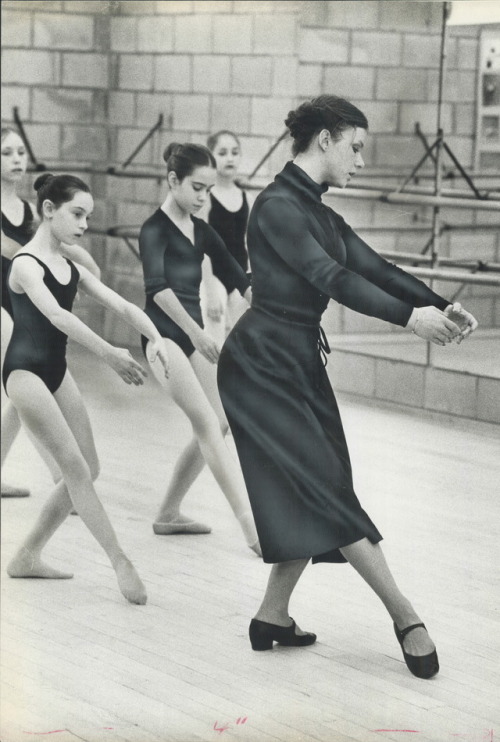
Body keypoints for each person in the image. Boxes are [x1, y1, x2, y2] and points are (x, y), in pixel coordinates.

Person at [217, 95, 478, 678]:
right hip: (259, 366)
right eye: (355, 148)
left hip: (298, 362)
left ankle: (272, 616)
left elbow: (375, 269)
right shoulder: (278, 207)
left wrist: (443, 305)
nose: (360, 160)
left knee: (323, 485)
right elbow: (329, 278)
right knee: (325, 490)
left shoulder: (321, 213)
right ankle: (405, 615)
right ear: (325, 141)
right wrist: (411, 321)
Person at [4, 172, 170, 605]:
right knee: (75, 469)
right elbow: (58, 318)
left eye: (88, 217)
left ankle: (27, 555)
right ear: (48, 210)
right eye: (76, 214)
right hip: (24, 373)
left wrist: (155, 337)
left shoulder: (72, 267)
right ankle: (119, 560)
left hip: (56, 372)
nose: (83, 224)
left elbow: (122, 303)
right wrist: (108, 353)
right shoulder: (24, 263)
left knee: (89, 469)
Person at [138, 142, 260, 555]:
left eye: (208, 190)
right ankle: (250, 526)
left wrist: (264, 297)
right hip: (161, 336)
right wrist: (195, 333)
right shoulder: (153, 229)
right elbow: (157, 291)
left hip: (188, 336)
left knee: (222, 419)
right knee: (208, 423)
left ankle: (169, 512)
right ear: (173, 180)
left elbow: (235, 274)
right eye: (196, 188)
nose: (204, 197)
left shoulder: (202, 230)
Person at [1, 126, 101, 498]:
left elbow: (47, 242)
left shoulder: (29, 209)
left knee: (22, 392)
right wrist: (72, 260)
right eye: (7, 153)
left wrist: (84, 261)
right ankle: (63, 475)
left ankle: (59, 473)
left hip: (19, 304)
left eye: (20, 153)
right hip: (2, 305)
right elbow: (19, 251)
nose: (16, 160)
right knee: (26, 383)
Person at [200, 130, 250, 346]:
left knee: (242, 343)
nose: (230, 158)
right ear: (211, 158)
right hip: (213, 275)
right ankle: (210, 379)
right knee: (216, 341)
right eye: (222, 153)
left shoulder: (245, 196)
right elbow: (199, 244)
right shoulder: (205, 196)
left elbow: (249, 243)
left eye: (234, 152)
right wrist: (210, 289)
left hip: (239, 274)